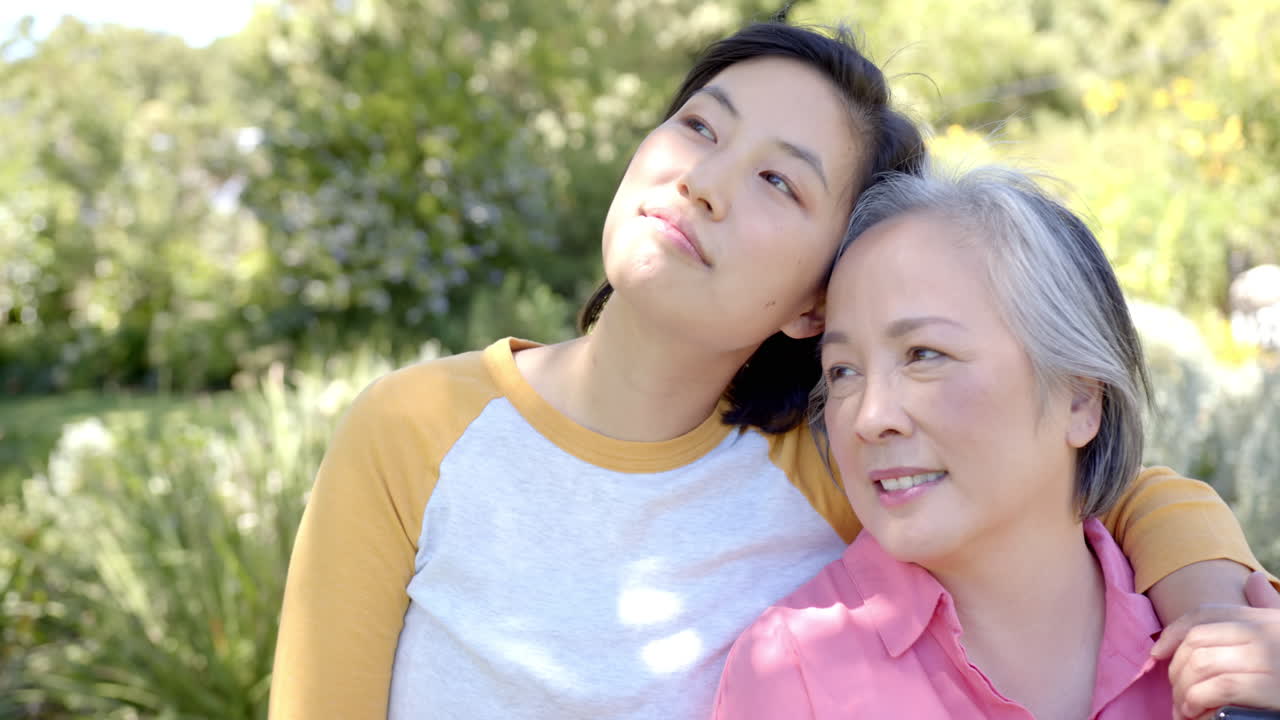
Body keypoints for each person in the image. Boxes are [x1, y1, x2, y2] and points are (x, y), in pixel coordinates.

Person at [269, 17, 1272, 720]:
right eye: (699, 126)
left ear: (812, 303)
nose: (702, 180)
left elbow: (1090, 491)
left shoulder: (819, 459)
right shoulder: (413, 428)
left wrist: (1205, 614)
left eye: (776, 181)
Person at [709, 165, 1280, 719]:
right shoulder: (793, 673)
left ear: (1080, 400)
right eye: (841, 371)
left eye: (924, 354)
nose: (870, 417)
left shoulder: (1228, 634)